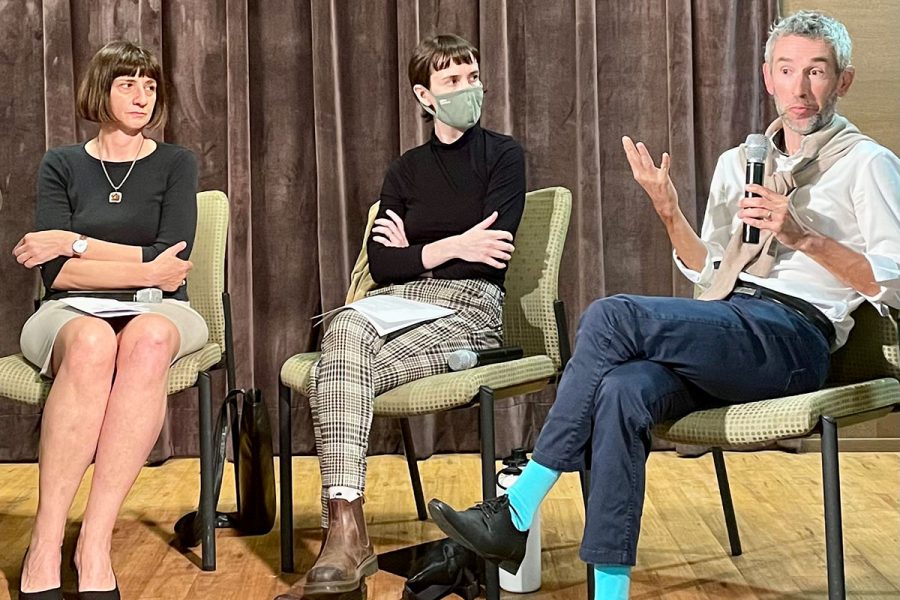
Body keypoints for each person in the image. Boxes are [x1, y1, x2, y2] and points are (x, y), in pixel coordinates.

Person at [427, 11, 900, 599]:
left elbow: (893, 285)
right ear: (767, 77)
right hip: (731, 324)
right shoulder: (741, 162)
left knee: (611, 315)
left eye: (817, 72)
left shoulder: (868, 163)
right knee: (624, 390)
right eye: (787, 70)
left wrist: (804, 237)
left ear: (843, 80)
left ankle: (516, 509)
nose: (801, 88)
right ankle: (610, 593)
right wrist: (670, 211)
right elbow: (708, 270)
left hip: (794, 340)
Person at [275, 34, 525, 598]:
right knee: (347, 329)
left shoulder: (504, 156)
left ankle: (345, 537)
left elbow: (496, 244)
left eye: (472, 77)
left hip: (468, 307)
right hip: (399, 303)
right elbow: (383, 262)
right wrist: (451, 243)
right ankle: (345, 526)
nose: (468, 90)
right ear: (425, 95)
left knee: (340, 348)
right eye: (452, 82)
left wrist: (421, 246)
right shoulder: (406, 169)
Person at [13, 41, 208, 599]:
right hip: (69, 312)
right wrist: (141, 260)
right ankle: (45, 542)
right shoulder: (62, 164)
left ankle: (93, 544)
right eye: (128, 84)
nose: (142, 96)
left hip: (160, 310)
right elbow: (58, 277)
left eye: (150, 86)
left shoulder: (176, 163)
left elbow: (174, 269)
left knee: (146, 339)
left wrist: (75, 242)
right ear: (100, 90)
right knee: (94, 342)